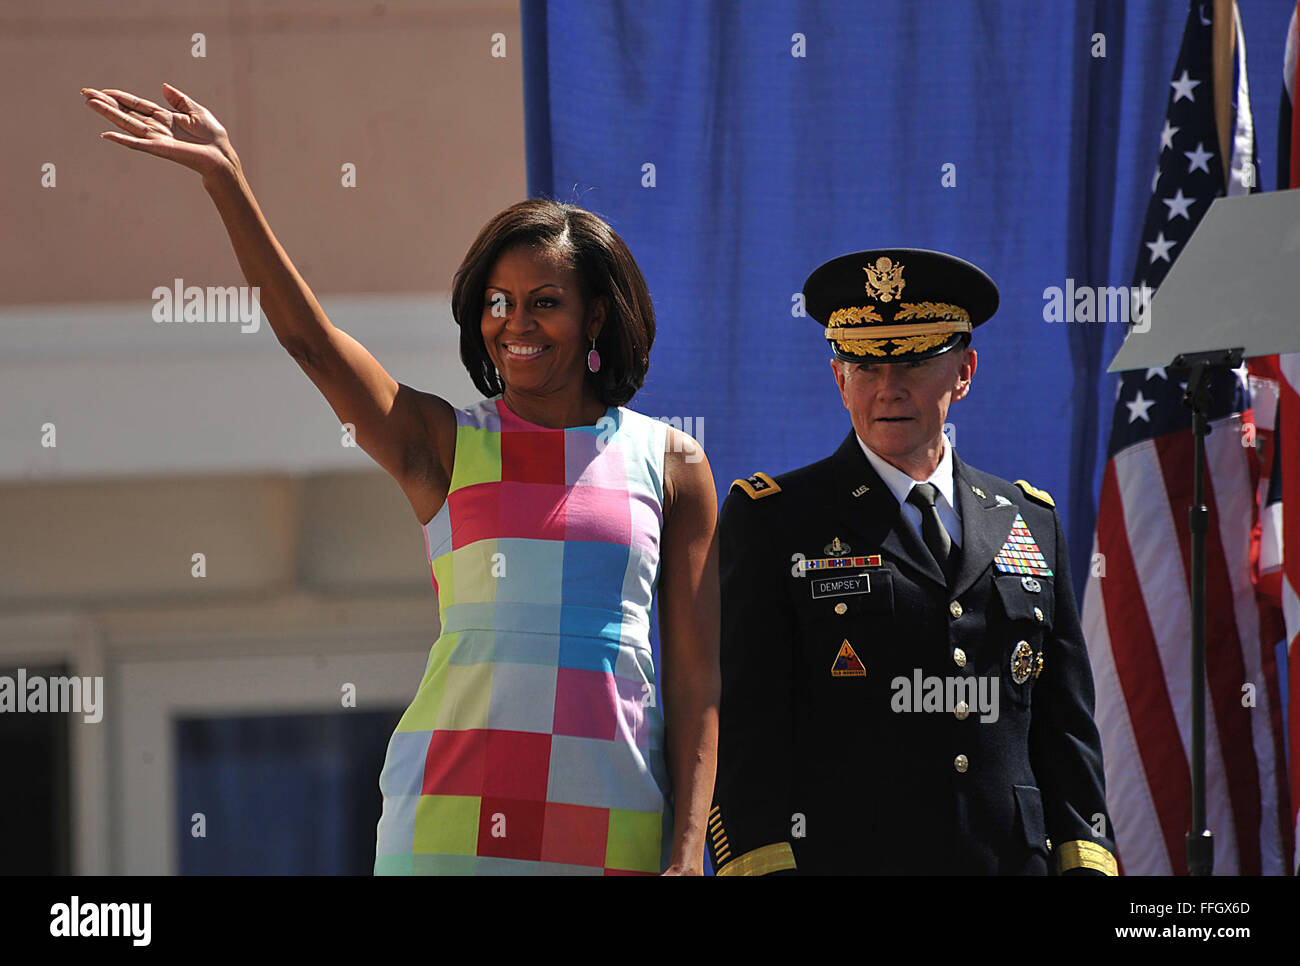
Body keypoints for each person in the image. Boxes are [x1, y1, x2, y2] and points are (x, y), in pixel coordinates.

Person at [80, 83, 719, 875]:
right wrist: (228, 183)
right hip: (451, 832)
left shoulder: (674, 464)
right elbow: (312, 343)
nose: (514, 323)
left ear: (595, 317)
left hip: (615, 829)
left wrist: (689, 853)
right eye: (498, 302)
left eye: (544, 302)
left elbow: (698, 678)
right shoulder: (443, 442)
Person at [708, 248, 1116, 875]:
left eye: (916, 361)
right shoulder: (775, 519)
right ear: (838, 378)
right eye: (865, 365)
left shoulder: (1029, 518)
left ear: (965, 372)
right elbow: (746, 730)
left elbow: (1065, 731)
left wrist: (1087, 863)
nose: (888, 388)